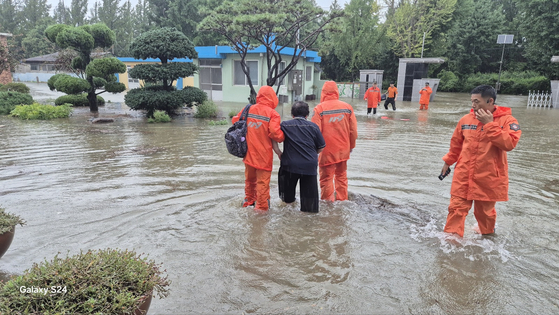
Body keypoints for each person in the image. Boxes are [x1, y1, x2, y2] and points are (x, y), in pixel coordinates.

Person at [441, 85, 521, 237]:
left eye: (477, 101)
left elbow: (509, 143)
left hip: (488, 177)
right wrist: (447, 162)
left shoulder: (507, 120)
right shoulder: (465, 119)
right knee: (456, 209)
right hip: (463, 175)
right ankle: (450, 247)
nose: (473, 105)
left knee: (485, 214)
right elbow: (456, 145)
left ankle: (488, 238)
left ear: (490, 101)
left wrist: (489, 124)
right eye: (472, 101)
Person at [232, 86, 284, 211]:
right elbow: (276, 134)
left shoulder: (248, 109)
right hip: (263, 157)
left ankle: (249, 202)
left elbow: (235, 121)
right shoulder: (273, 114)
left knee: (249, 180)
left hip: (248, 155)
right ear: (273, 98)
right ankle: (261, 209)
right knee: (263, 183)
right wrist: (284, 136)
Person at [273, 101, 325, 213]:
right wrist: (312, 154)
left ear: (292, 114)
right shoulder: (314, 127)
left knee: (286, 202)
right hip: (309, 167)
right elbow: (321, 147)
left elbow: (273, 136)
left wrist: (278, 152)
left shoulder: (284, 125)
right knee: (309, 207)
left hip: (289, 166)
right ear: (307, 115)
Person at [311, 81, 358, 201]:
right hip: (343, 150)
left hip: (326, 151)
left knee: (326, 178)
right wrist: (351, 147)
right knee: (341, 177)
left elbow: (314, 132)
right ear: (336, 92)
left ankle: (328, 204)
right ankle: (342, 201)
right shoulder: (348, 108)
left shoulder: (319, 109)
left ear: (323, 93)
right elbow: (353, 131)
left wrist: (314, 151)